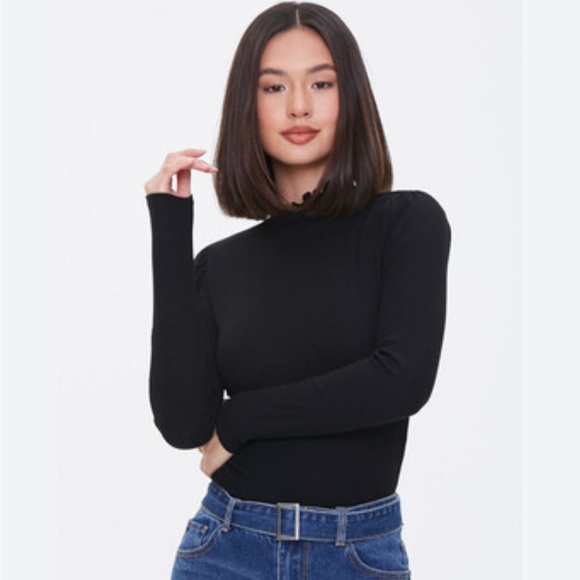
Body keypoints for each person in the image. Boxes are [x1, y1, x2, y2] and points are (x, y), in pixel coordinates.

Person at [144, 2, 451, 578]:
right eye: (274, 87)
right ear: (248, 105)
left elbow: (402, 380)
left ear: (350, 97)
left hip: (356, 554)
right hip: (226, 549)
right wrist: (170, 226)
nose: (299, 106)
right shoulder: (222, 265)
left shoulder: (407, 224)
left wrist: (243, 420)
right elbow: (183, 424)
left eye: (321, 83)